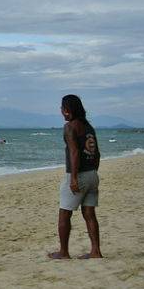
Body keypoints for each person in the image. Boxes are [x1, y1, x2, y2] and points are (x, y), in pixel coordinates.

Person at [49, 94, 102, 259]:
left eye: (62, 107)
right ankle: (95, 251)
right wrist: (93, 172)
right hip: (93, 174)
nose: (60, 111)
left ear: (67, 110)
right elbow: (97, 153)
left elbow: (74, 152)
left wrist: (73, 178)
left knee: (64, 213)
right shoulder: (88, 127)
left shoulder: (70, 127)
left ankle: (64, 252)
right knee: (89, 213)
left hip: (79, 175)